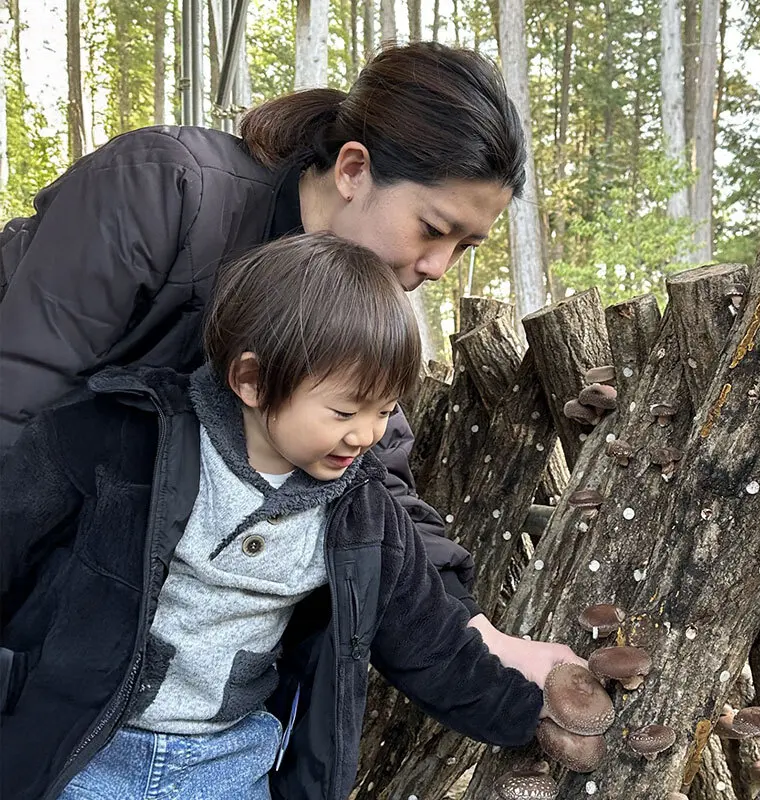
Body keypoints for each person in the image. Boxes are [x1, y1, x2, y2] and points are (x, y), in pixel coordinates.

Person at [0, 41, 577, 681]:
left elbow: (375, 486)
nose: (440, 268)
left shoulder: (359, 304)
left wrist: (480, 638)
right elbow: (14, 400)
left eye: (466, 246)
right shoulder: (162, 191)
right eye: (433, 229)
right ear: (354, 171)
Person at [0, 233, 546, 800]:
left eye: (384, 411)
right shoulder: (121, 443)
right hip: (82, 752)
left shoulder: (361, 512)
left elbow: (426, 639)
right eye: (343, 411)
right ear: (252, 381)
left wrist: (529, 714)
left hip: (229, 765)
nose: (366, 435)